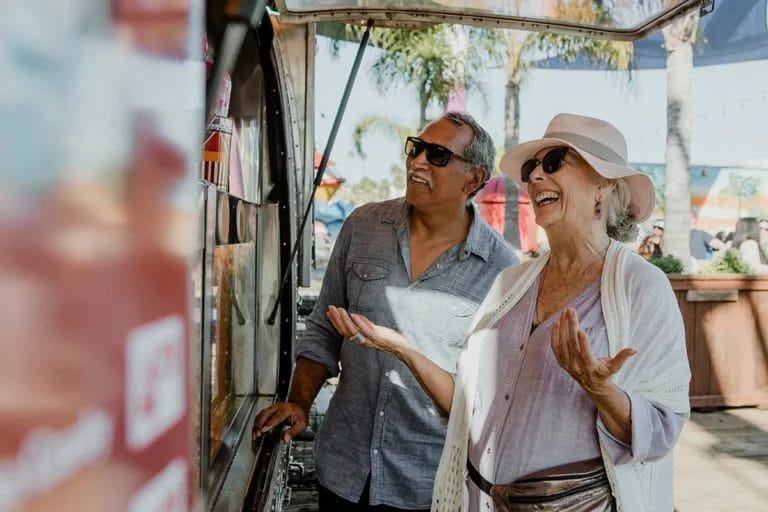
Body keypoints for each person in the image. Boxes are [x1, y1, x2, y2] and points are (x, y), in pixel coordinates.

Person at [327, 113, 691, 512]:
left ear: (604, 184)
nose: (534, 178)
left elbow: (660, 431)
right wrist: (404, 350)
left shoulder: (640, 286)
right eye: (532, 168)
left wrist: (600, 389)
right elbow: (467, 404)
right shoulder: (511, 283)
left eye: (554, 163)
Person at [254, 112, 518, 511]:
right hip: (345, 470)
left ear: (474, 179)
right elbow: (324, 331)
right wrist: (300, 403)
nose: (417, 162)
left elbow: (486, 397)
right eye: (416, 148)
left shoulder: (501, 270)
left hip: (426, 485)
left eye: (438, 155)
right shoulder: (363, 226)